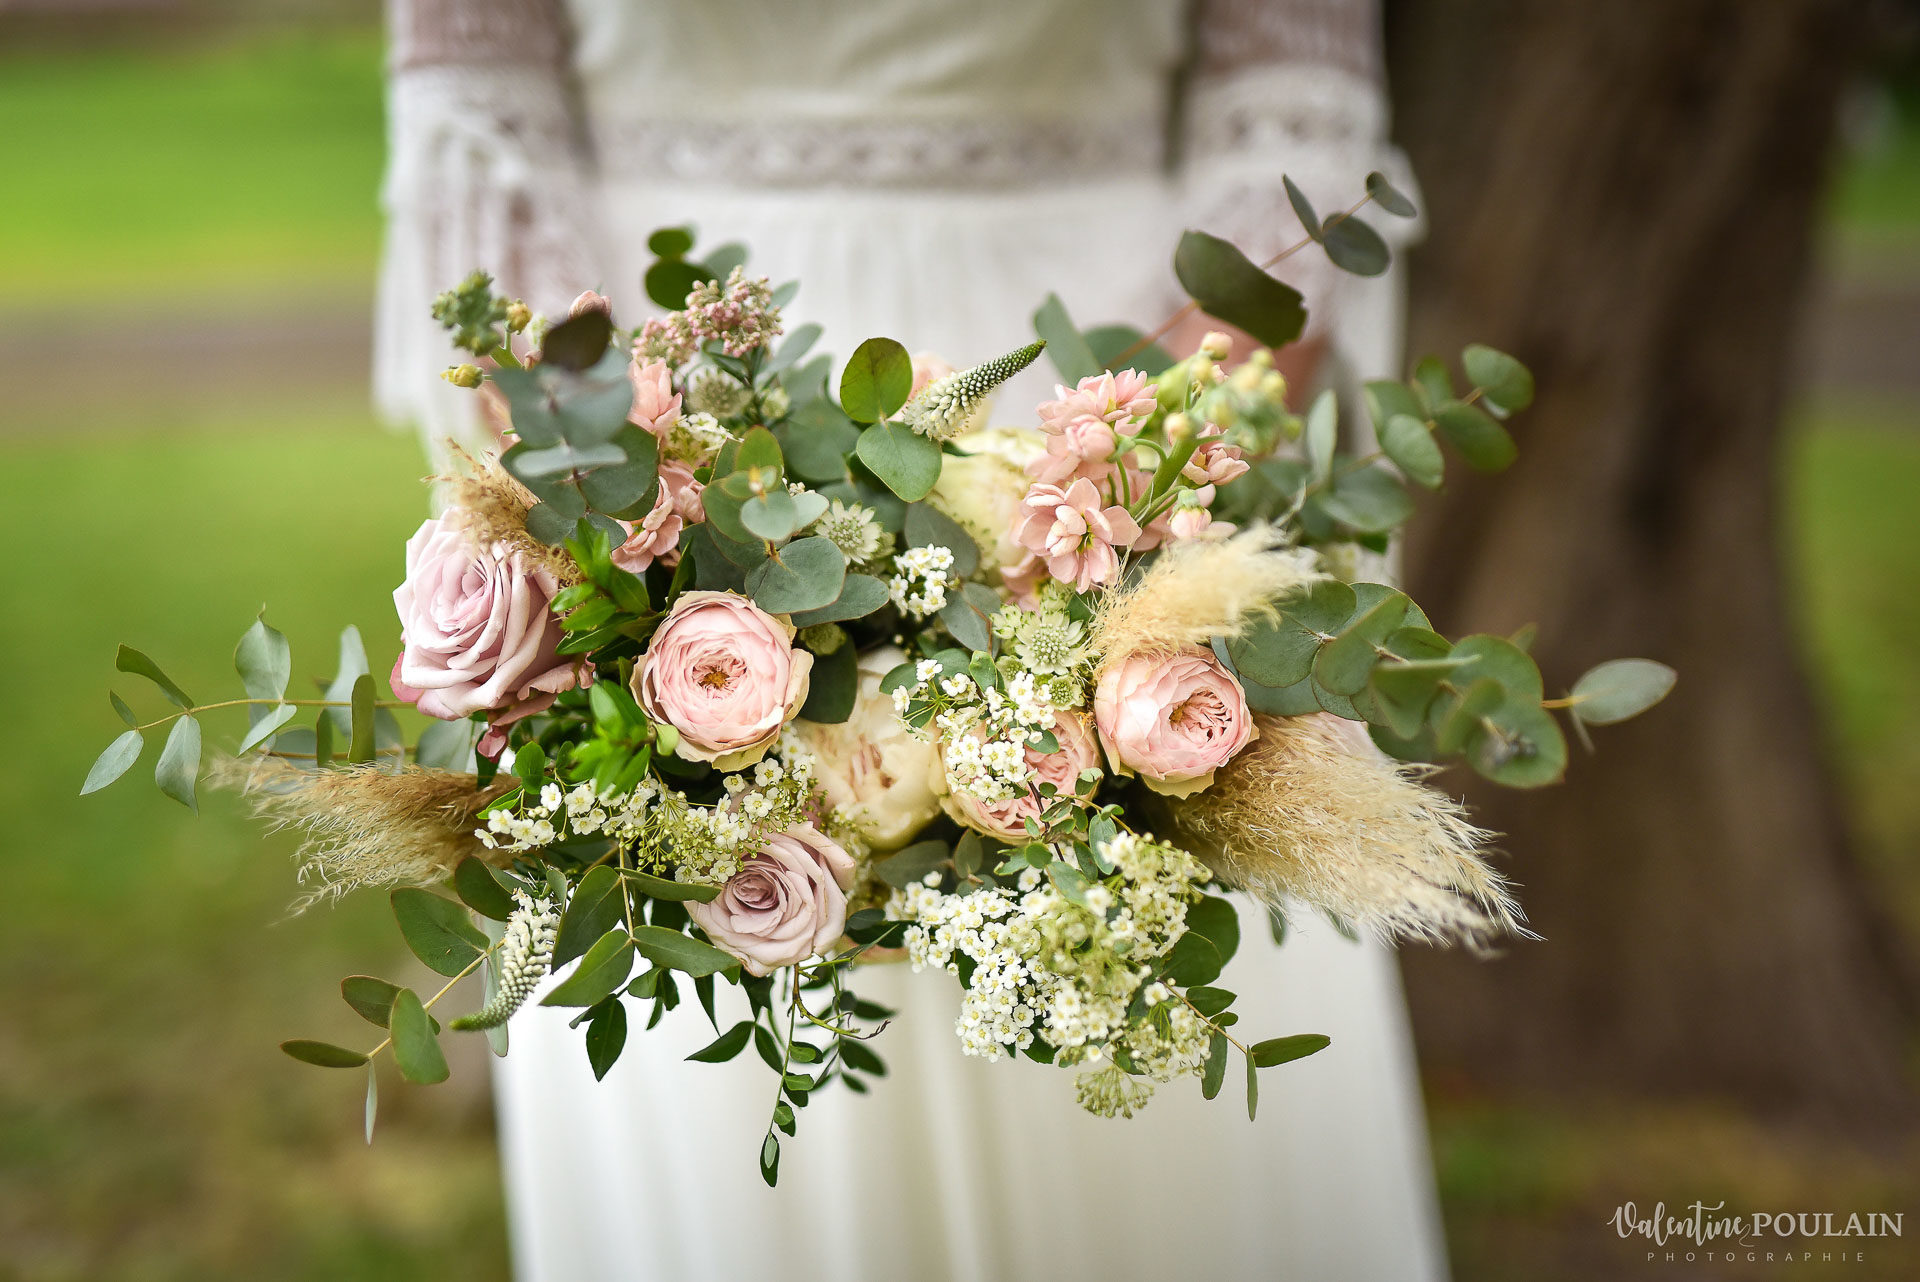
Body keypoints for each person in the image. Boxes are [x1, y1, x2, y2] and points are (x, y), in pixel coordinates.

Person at [377, 2, 1447, 1278]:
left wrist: (1107, 507)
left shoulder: (1127, 479)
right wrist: (642, 526)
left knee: (1146, 1074)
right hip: (663, 422)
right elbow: (482, 149)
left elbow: (1289, 143)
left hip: (1119, 411)